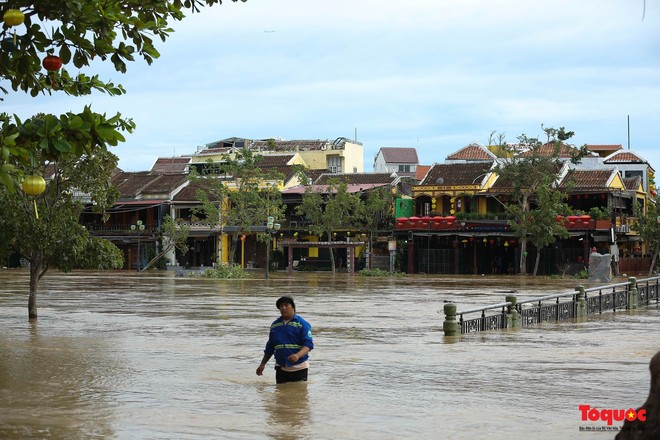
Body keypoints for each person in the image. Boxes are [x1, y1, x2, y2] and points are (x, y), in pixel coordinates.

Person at [256, 295, 314, 384]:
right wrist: (262, 364)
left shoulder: (302, 324)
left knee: (299, 396)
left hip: (299, 367)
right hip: (281, 367)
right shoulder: (275, 325)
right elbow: (270, 347)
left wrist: (297, 355)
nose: (283, 308)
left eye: (286, 305)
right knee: (280, 396)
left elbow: (308, 345)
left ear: (293, 307)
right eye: (281, 306)